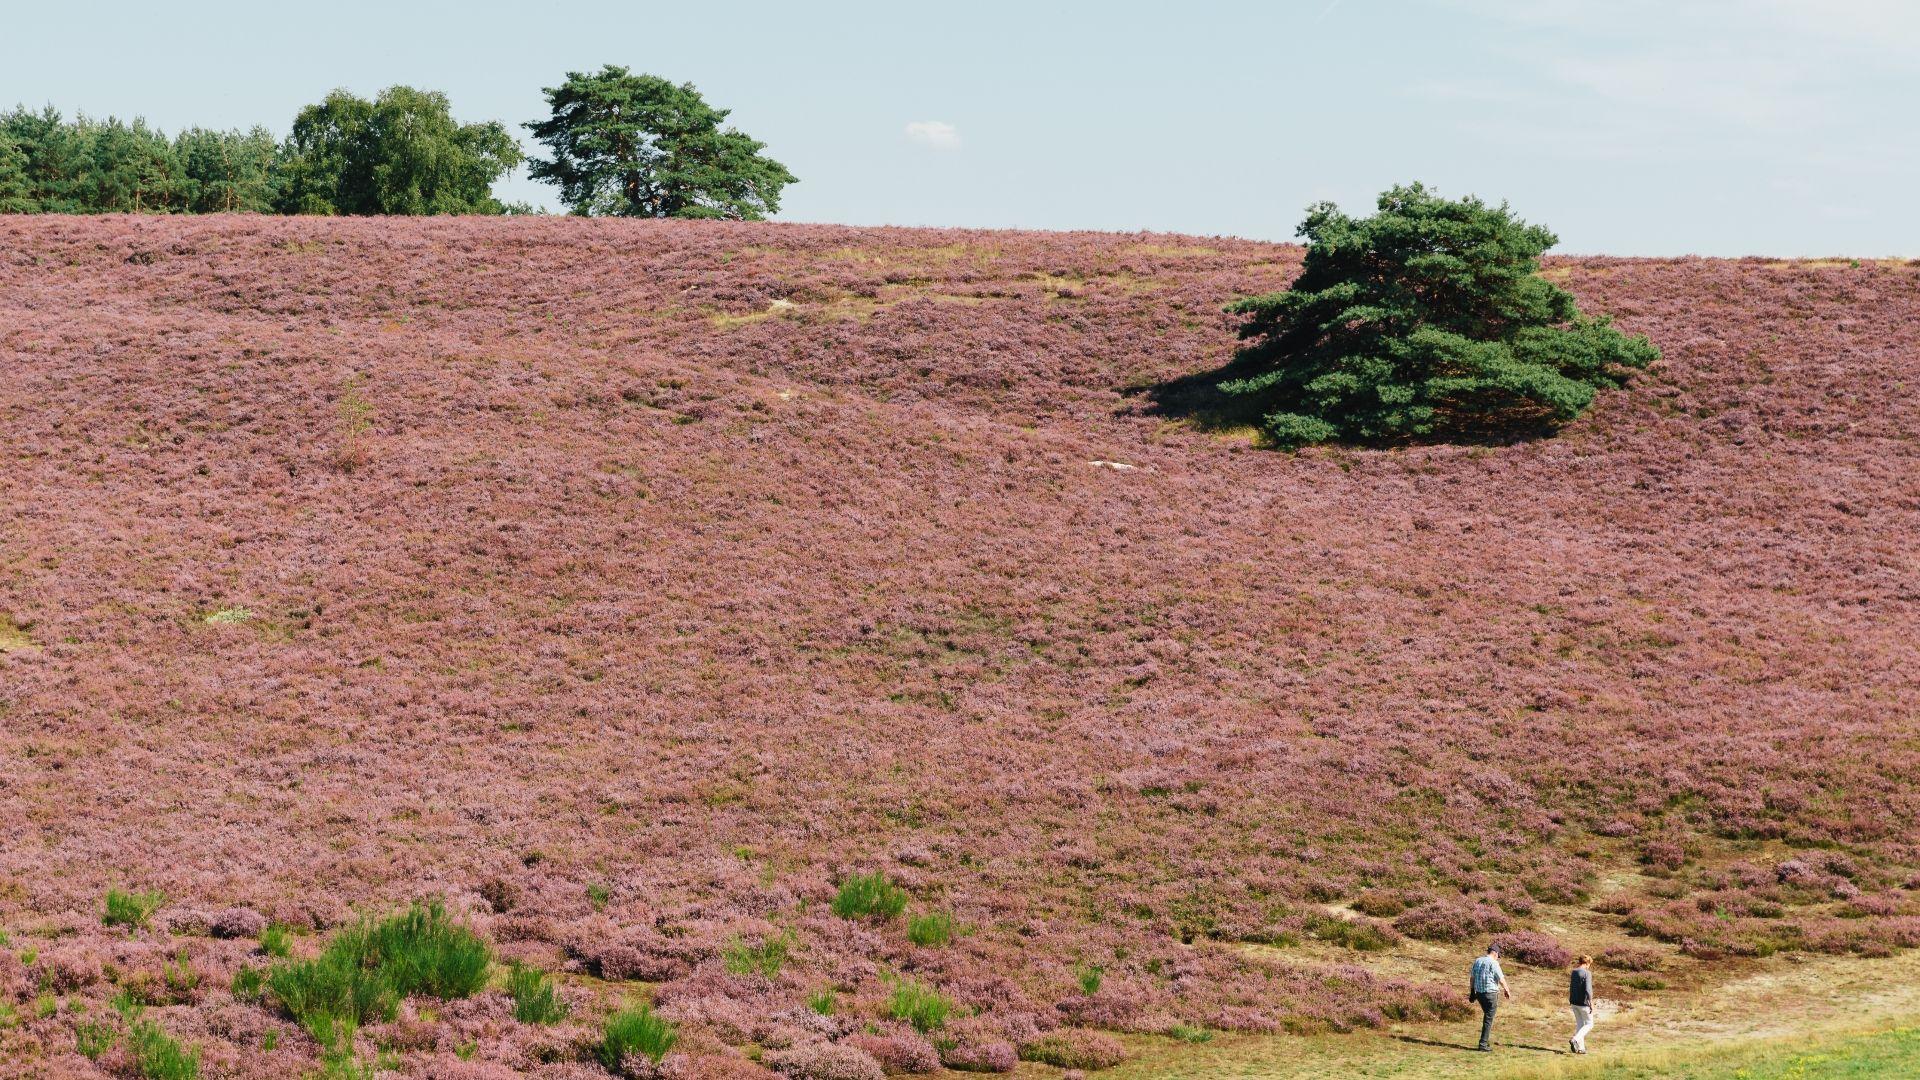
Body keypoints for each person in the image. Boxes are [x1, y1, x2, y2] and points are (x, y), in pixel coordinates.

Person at [1468, 944, 1511, 1051]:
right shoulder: (1494, 963)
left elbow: (1472, 978)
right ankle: (1483, 1044)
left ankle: (1484, 1042)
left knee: (1487, 1016)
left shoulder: (1477, 961)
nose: (1498, 957)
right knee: (1488, 1018)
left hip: (1479, 994)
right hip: (1491, 994)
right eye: (1498, 955)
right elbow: (1501, 979)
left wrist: (1472, 992)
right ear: (1495, 953)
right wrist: (1507, 990)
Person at [1569, 954, 1596, 1054]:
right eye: (1589, 964)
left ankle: (1581, 1048)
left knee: (1580, 1024)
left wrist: (1571, 1000)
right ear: (1587, 963)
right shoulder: (1587, 973)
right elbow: (1588, 990)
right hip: (1583, 1003)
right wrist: (1591, 1003)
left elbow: (1572, 987)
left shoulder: (1574, 972)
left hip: (1573, 1002)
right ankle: (1575, 1039)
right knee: (1589, 1024)